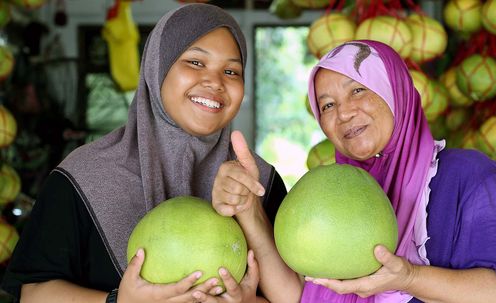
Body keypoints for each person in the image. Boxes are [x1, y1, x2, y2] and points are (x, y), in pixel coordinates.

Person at [210, 40, 496, 303]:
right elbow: (303, 295)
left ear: (396, 91)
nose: (344, 113)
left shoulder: (467, 177)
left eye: (358, 89)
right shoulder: (333, 193)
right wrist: (248, 209)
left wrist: (409, 278)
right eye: (327, 105)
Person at [1, 4, 287, 303]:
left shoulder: (257, 181)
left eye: (231, 71)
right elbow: (34, 294)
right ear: (156, 68)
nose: (215, 82)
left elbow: (308, 295)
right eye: (195, 62)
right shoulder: (82, 177)